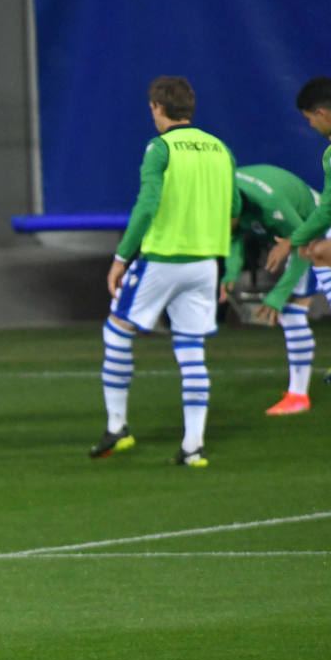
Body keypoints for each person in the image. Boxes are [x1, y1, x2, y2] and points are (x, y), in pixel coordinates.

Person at [90, 76, 239, 467]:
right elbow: (236, 207)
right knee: (191, 350)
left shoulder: (160, 148)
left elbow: (147, 204)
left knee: (117, 331)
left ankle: (117, 426)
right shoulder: (220, 149)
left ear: (157, 107)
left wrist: (122, 257)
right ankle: (193, 445)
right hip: (205, 263)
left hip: (162, 259)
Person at [220, 164, 331, 414]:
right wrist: (230, 275)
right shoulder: (226, 193)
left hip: (318, 230)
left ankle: (298, 395)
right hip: (303, 235)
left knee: (291, 311)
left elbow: (303, 245)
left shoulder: (270, 203)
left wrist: (278, 295)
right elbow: (234, 236)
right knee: (290, 311)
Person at [281, 77, 331, 384]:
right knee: (322, 253)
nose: (311, 125)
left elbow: (329, 208)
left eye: (309, 119)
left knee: (317, 250)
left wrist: (292, 240)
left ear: (321, 113)